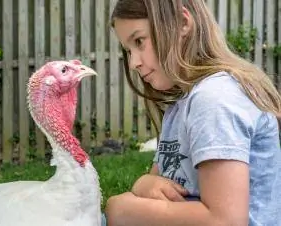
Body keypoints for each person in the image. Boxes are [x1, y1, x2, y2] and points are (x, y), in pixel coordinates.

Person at [103, 0, 281, 225]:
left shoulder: (215, 98)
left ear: (182, 24)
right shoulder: (182, 104)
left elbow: (226, 220)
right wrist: (144, 183)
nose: (133, 63)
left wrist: (122, 210)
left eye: (139, 41)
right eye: (129, 50)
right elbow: (159, 179)